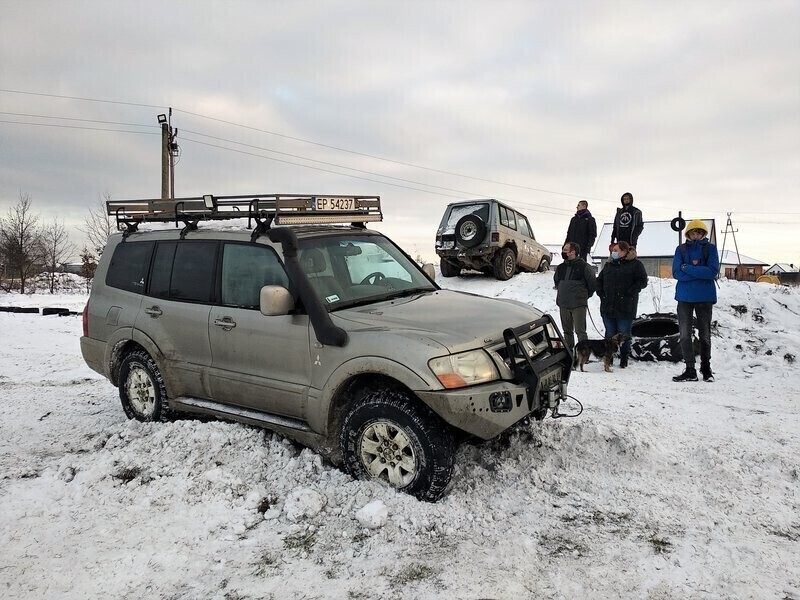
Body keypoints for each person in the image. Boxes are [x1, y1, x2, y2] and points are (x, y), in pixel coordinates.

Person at [672, 219, 719, 382]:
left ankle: (706, 368)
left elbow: (712, 271)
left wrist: (689, 269)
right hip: (684, 298)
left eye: (699, 232)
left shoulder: (710, 249)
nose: (696, 235)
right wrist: (700, 273)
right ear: (689, 234)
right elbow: (677, 273)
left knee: (705, 335)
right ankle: (690, 369)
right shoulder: (681, 250)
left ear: (703, 234)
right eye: (693, 232)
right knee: (684, 335)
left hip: (705, 298)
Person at [595, 241, 648, 368]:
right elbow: (599, 280)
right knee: (609, 333)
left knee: (624, 334)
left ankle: (624, 358)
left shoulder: (636, 265)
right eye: (613, 250)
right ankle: (609, 358)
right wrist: (600, 292)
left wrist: (631, 291)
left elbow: (642, 281)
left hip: (625, 307)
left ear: (625, 251)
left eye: (616, 250)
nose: (613, 252)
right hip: (608, 306)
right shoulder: (609, 265)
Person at [554, 242, 596, 364]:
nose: (563, 251)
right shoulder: (560, 267)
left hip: (578, 304)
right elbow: (557, 282)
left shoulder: (584, 267)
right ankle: (569, 354)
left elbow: (592, 284)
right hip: (563, 303)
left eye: (566, 249)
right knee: (567, 331)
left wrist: (583, 296)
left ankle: (584, 356)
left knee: (580, 331)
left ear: (573, 252)